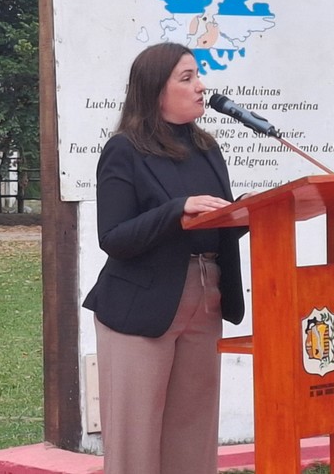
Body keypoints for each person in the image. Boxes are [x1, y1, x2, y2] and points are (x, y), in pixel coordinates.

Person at [83, 42, 247, 474]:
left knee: (192, 433)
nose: (201, 86)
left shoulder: (208, 148)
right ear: (156, 89)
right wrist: (177, 209)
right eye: (187, 77)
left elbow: (217, 222)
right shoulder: (124, 149)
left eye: (199, 75)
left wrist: (254, 213)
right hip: (141, 306)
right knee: (136, 439)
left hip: (206, 296)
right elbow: (114, 237)